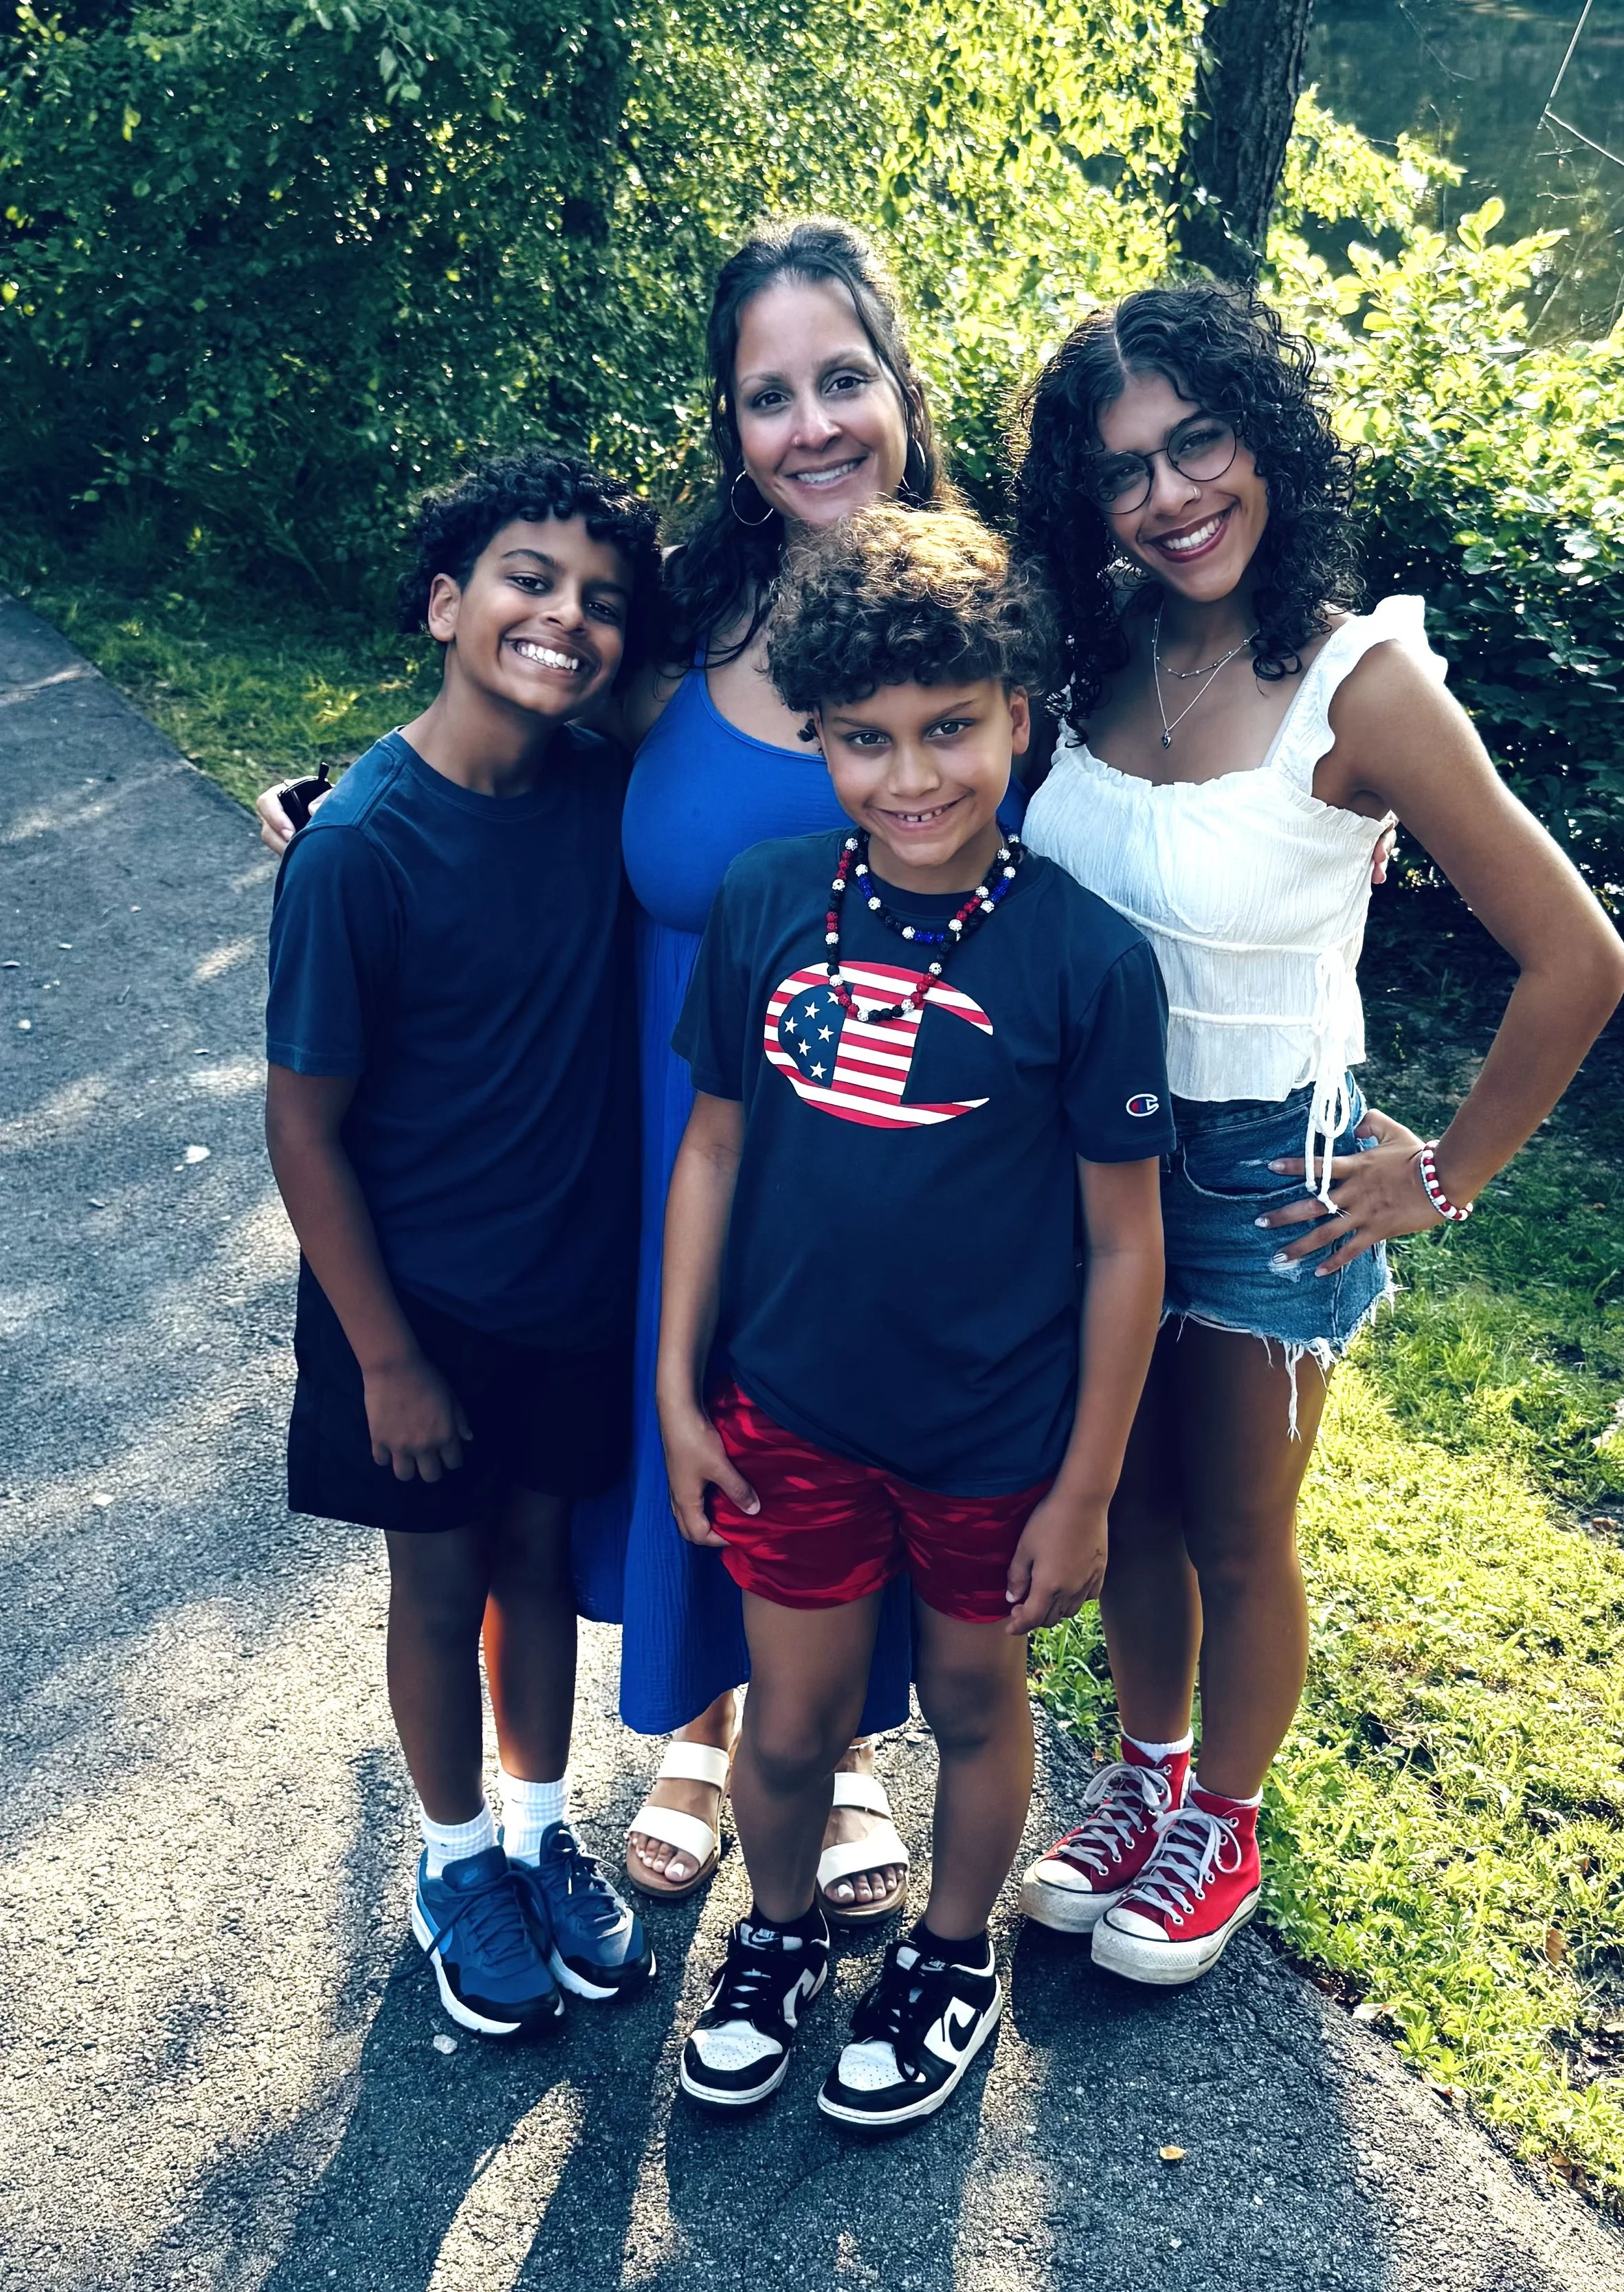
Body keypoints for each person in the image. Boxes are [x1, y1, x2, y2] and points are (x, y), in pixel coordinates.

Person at [258, 219, 981, 1923]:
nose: (810, 423)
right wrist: (326, 802)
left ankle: (847, 1744)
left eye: (841, 379)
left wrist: (1337, 822)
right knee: (686, 1440)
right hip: (669, 1121)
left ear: (895, 385)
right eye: (766, 392)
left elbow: (1124, 766)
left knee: (850, 1418)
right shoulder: (692, 617)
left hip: (899, 1121)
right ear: (729, 423)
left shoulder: (986, 600)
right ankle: (697, 1733)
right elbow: (515, 720)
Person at [1009, 282, 1624, 1987]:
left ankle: (1224, 1810)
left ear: (1264, 437)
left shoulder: (1358, 684)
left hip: (1257, 1166)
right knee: (1124, 1506)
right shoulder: (1080, 650)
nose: (1168, 494)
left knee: (1229, 1524)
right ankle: (1140, 1778)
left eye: (1196, 441)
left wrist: (1437, 1175)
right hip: (1083, 1158)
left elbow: (1576, 957)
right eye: (1123, 467)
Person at [660, 504, 1173, 2126]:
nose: (913, 776)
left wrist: (1083, 1484)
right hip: (786, 1412)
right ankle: (781, 1932)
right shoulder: (758, 900)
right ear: (816, 737)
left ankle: (950, 1952)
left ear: (1018, 713)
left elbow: (1121, 1248)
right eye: (865, 739)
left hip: (989, 1444)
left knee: (969, 1704)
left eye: (951, 726)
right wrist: (677, 1390)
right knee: (792, 1719)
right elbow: (716, 1146)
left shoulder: (1086, 959)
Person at [265, 451, 658, 2036]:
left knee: (538, 1566)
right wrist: (386, 1359)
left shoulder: (600, 801)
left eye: (600, 600)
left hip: (568, 1290)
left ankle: (535, 1828)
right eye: (526, 577)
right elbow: (303, 1129)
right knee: (436, 1588)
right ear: (446, 602)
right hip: (413, 1313)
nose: (562, 615)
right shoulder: (357, 845)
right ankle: (447, 1864)